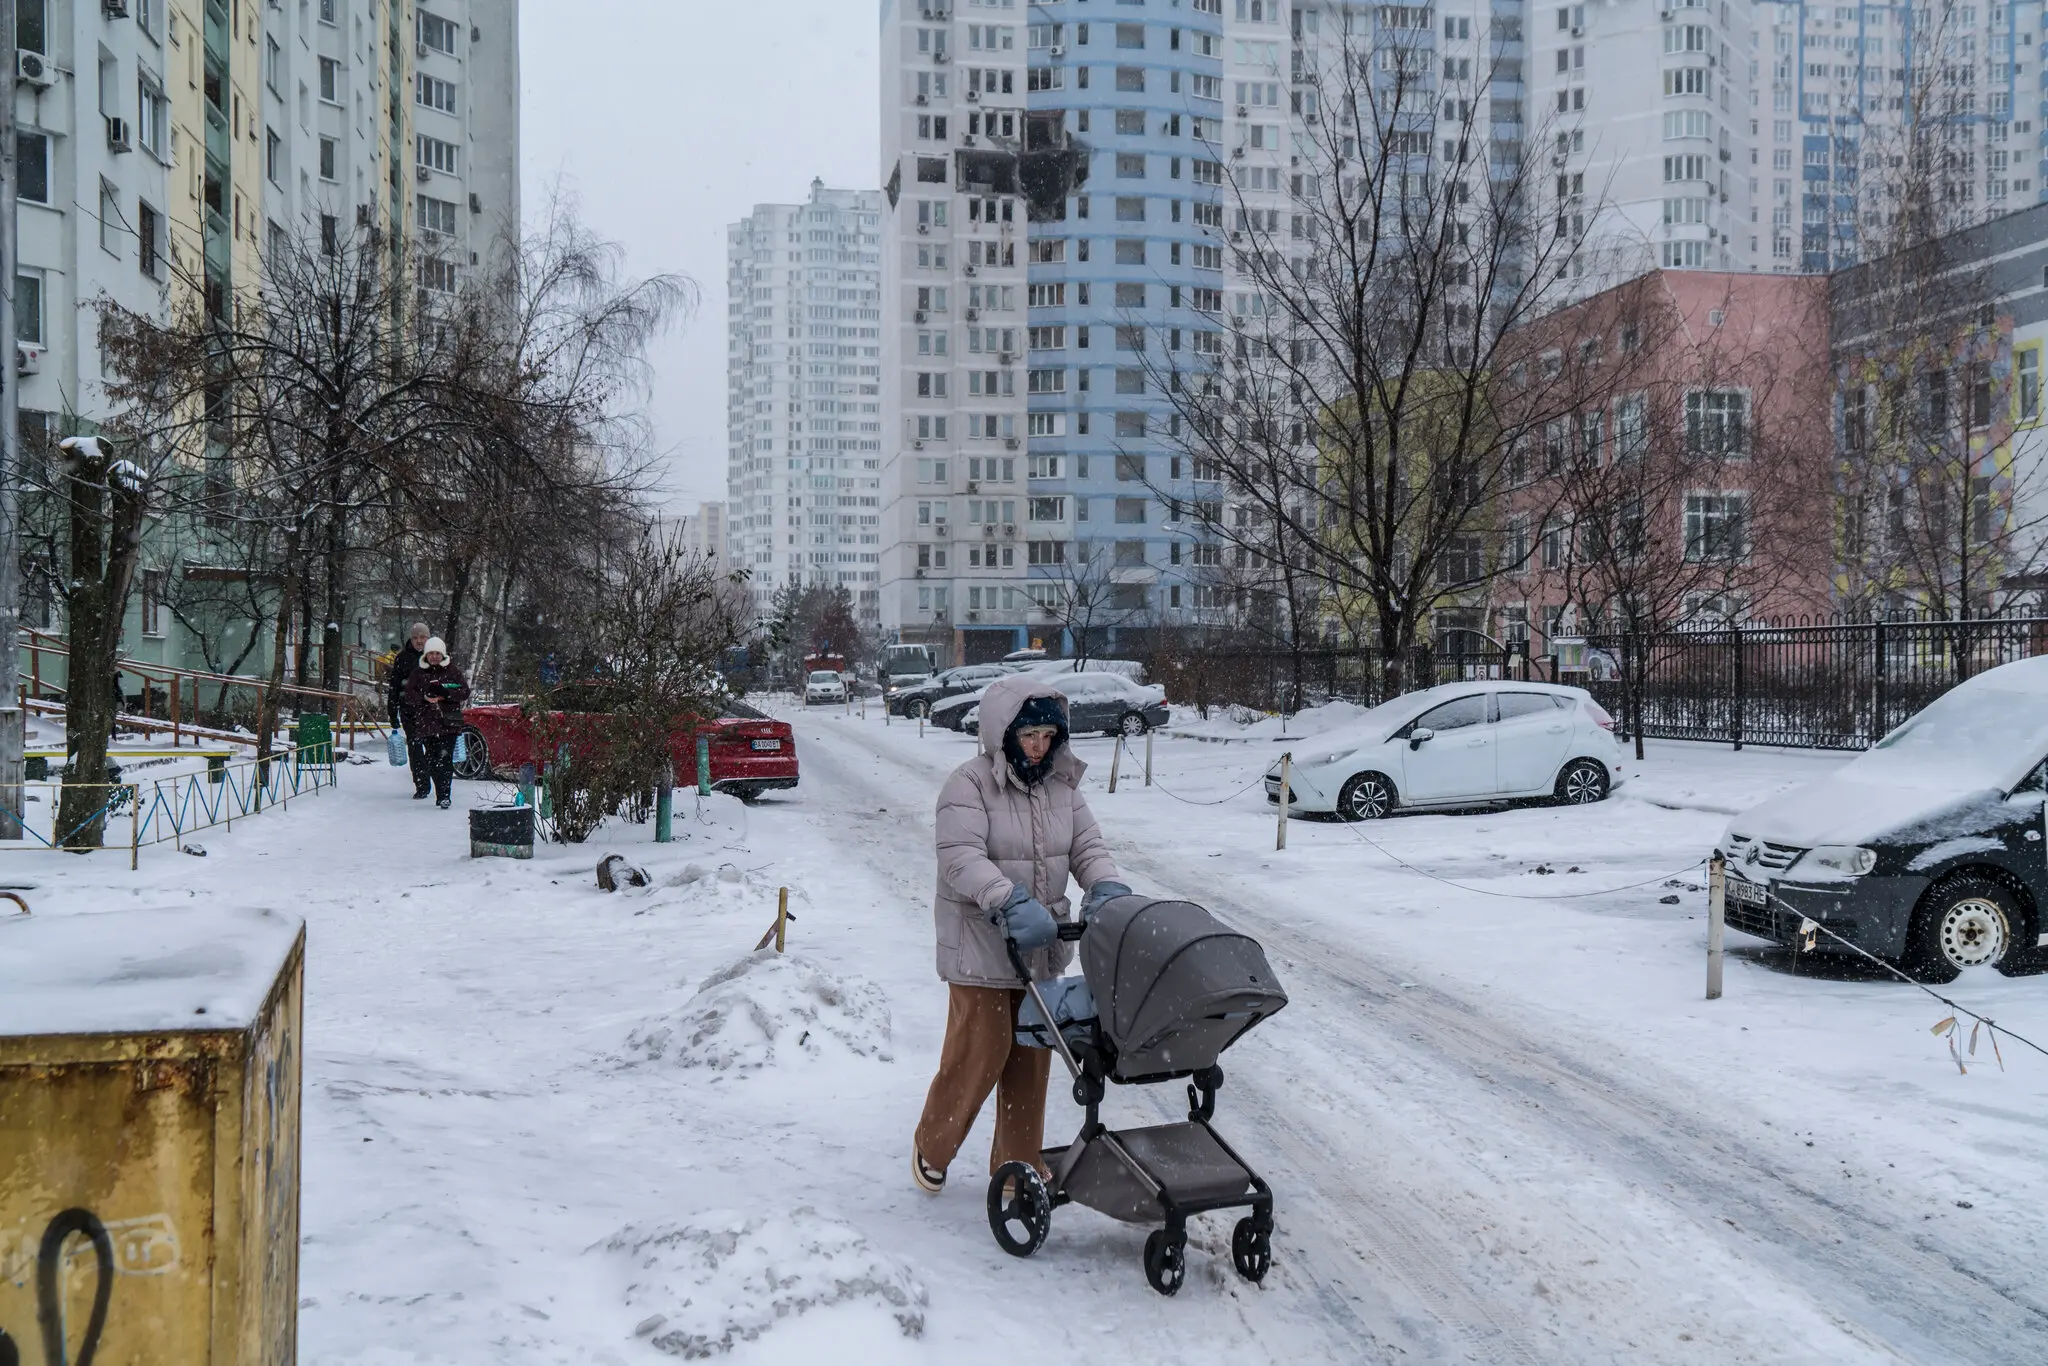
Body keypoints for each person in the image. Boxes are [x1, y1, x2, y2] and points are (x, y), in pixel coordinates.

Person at [912, 674, 1133, 1194]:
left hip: (1040, 947)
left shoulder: (1062, 786)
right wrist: (1005, 898)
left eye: (1047, 737)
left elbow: (1087, 846)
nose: (1038, 747)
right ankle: (934, 1144)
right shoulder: (967, 784)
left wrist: (1105, 885)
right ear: (1004, 732)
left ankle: (1016, 1165)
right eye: (1029, 736)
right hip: (981, 946)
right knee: (979, 1052)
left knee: (1032, 1057)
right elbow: (959, 858)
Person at [401, 637, 471, 810]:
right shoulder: (418, 673)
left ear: (442, 654)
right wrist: (424, 697)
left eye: (437, 653)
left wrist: (446, 694)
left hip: (449, 723)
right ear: (426, 655)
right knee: (432, 760)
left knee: (445, 759)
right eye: (431, 653)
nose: (434, 657)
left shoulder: (452, 671)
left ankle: (445, 795)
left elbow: (464, 692)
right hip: (427, 723)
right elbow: (409, 695)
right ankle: (440, 791)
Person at [388, 622, 432, 798]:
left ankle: (436, 781)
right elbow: (394, 686)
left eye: (422, 637)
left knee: (433, 747)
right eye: (415, 638)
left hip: (432, 711)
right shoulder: (403, 658)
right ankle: (421, 785)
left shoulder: (436, 656)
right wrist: (392, 712)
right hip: (409, 710)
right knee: (415, 747)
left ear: (428, 638)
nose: (419, 641)